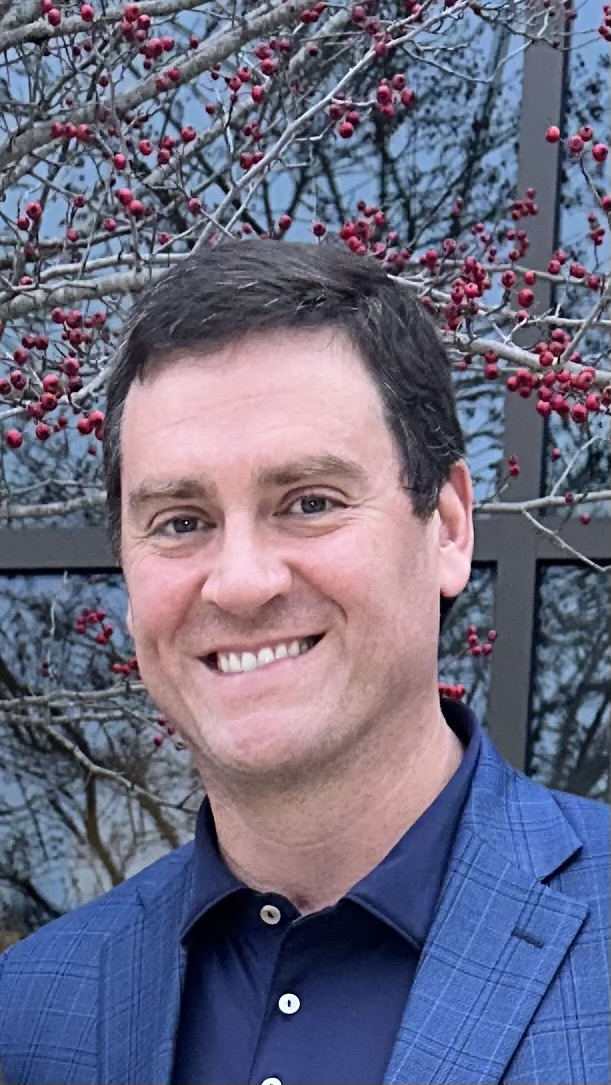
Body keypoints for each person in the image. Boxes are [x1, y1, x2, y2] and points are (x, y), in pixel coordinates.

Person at [0, 242, 608, 1085]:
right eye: (181, 521)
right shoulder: (29, 1014)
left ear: (447, 527)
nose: (241, 582)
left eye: (309, 502)